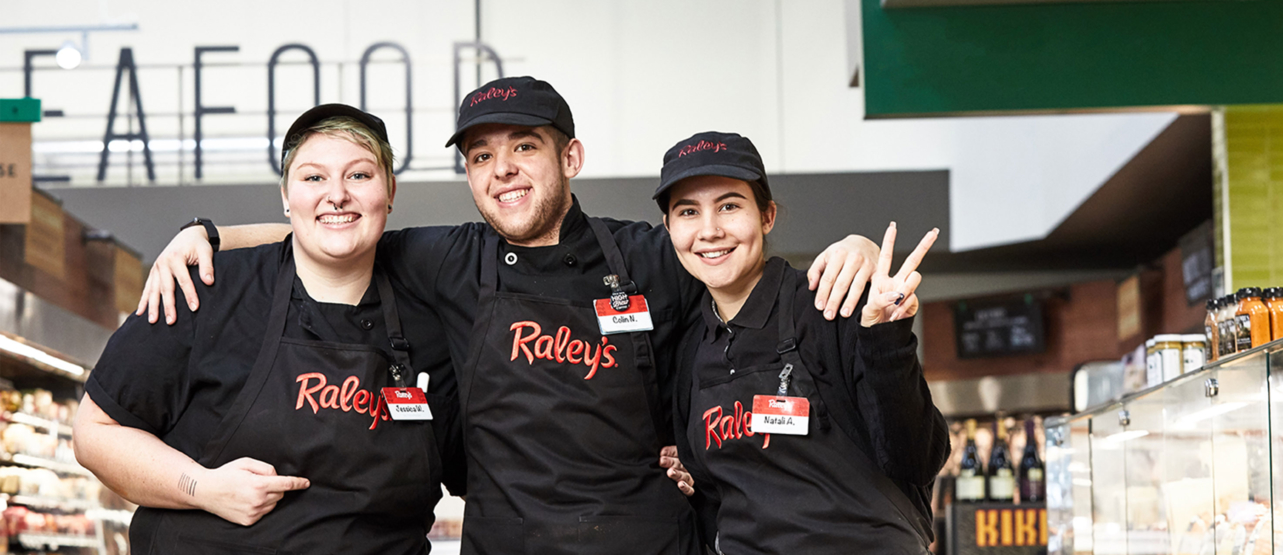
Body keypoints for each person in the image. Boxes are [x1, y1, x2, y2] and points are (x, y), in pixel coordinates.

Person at [137, 77, 881, 554]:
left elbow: (738, 262)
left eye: (524, 146)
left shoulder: (651, 257)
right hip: (506, 540)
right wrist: (205, 234)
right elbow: (336, 223)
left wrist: (849, 248)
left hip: (644, 541)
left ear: (571, 157)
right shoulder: (449, 259)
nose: (502, 171)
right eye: (481, 156)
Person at [73, 105, 459, 554]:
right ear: (286, 195)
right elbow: (95, 432)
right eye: (313, 178)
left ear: (389, 191)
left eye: (359, 176)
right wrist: (203, 487)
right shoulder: (207, 291)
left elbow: (474, 471)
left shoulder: (430, 323)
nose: (336, 195)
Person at [658, 132, 949, 554]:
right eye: (688, 211)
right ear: (669, 229)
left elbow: (918, 460)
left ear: (767, 216)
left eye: (729, 206)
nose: (709, 230)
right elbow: (713, 503)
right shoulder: (690, 350)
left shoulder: (831, 302)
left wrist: (887, 341)